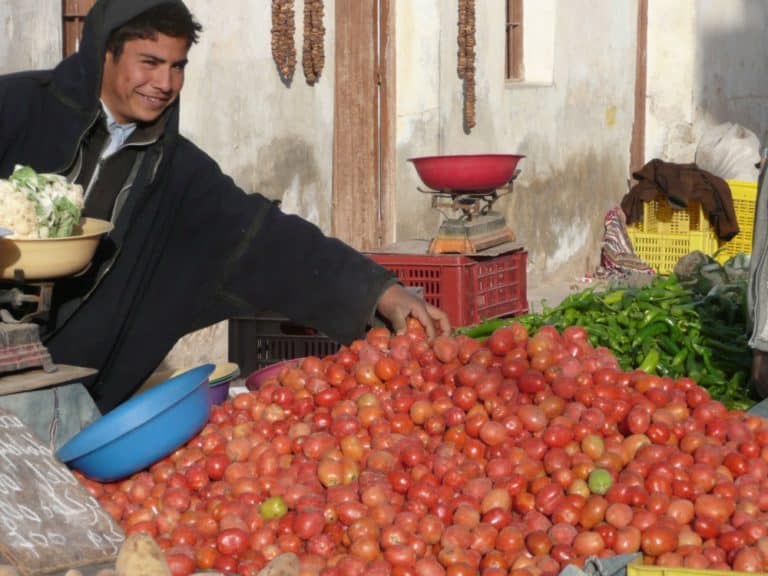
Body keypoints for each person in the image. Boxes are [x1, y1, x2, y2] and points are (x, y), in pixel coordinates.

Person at [0, 0, 449, 449]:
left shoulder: (177, 173)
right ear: (104, 53)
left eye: (178, 67)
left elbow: (268, 240)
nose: (164, 83)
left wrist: (379, 292)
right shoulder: (17, 108)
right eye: (150, 63)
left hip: (68, 401)